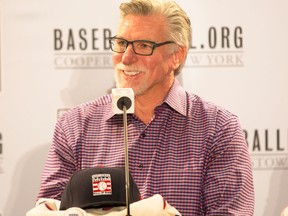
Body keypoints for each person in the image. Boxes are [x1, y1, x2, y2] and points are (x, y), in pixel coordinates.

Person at [37, 0, 255, 215]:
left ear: (176, 56)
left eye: (143, 46)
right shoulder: (74, 124)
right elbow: (49, 209)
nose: (126, 57)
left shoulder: (219, 129)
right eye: (121, 43)